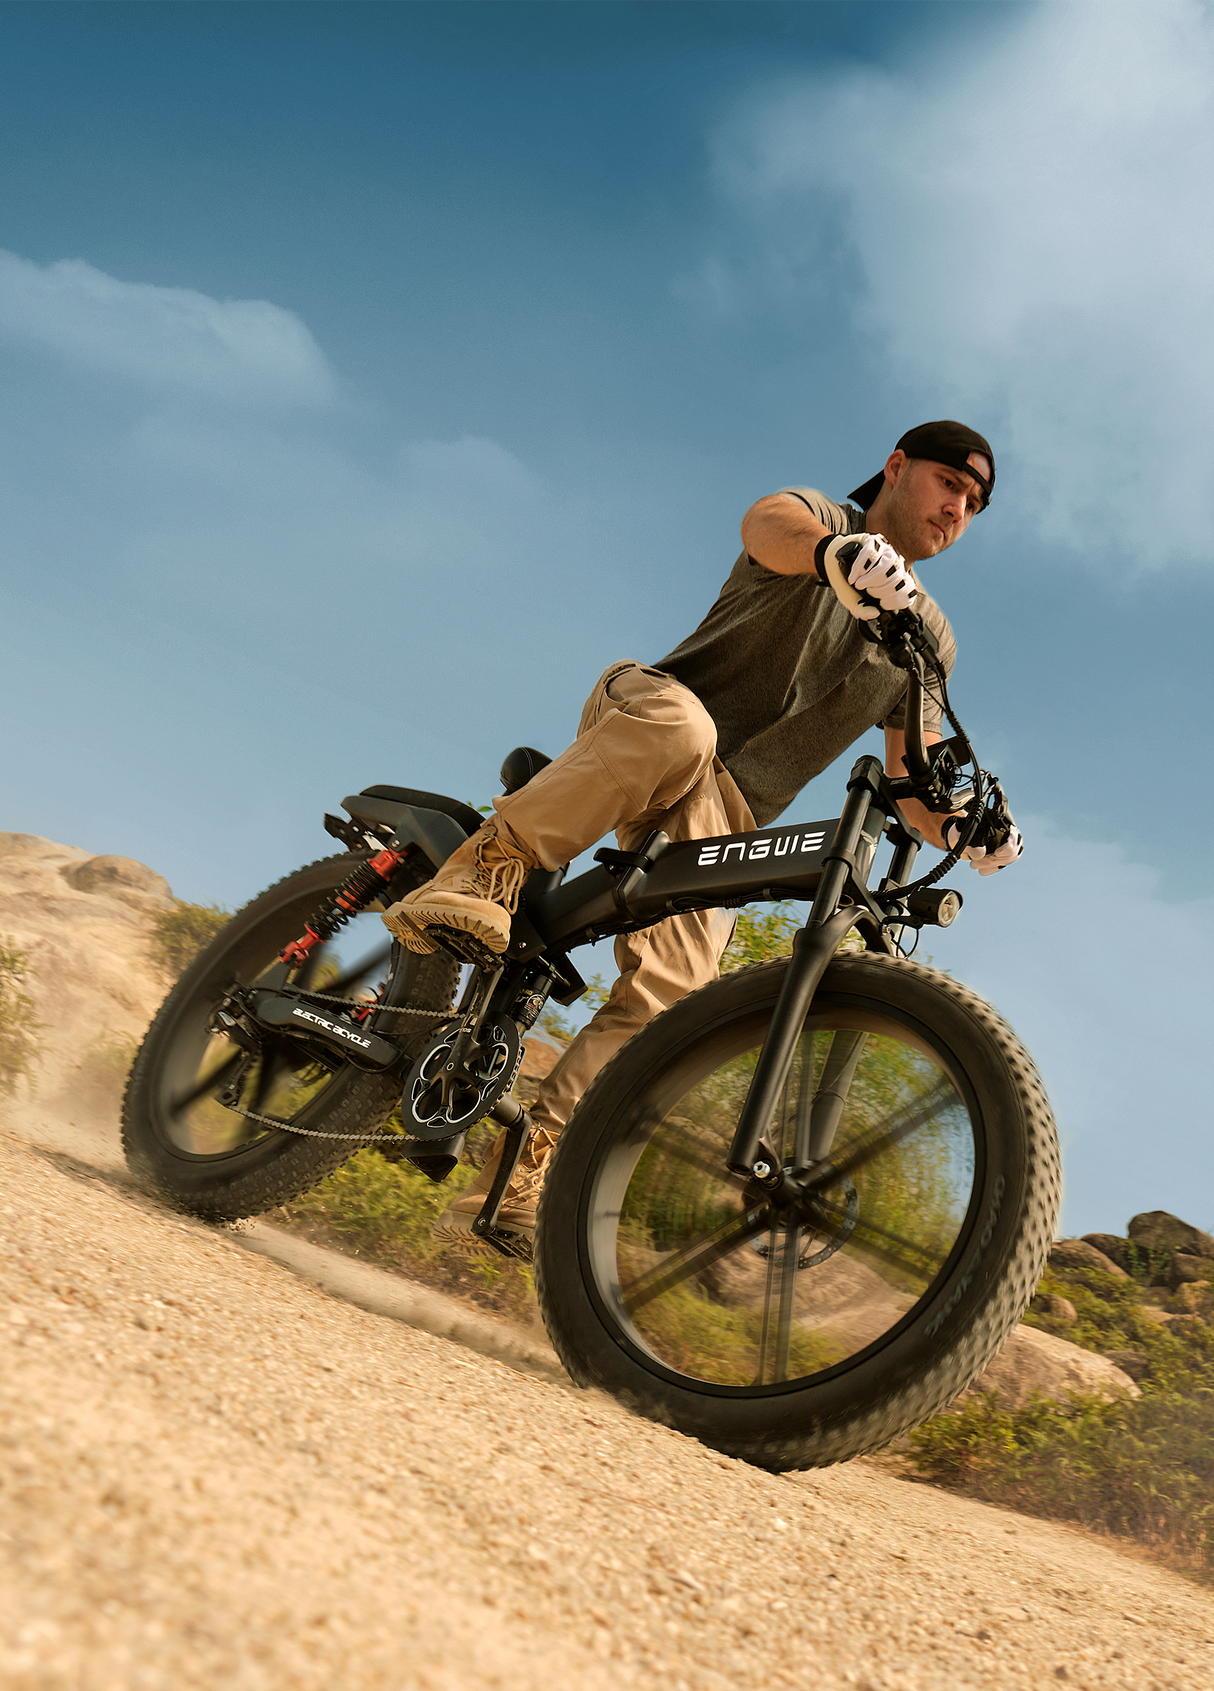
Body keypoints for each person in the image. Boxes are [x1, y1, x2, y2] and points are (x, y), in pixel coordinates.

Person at [382, 419, 1022, 1246]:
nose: (956, 509)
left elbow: (911, 775)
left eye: (973, 503)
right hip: (653, 712)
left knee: (674, 991)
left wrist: (965, 832)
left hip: (725, 812)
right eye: (947, 484)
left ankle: (533, 1165)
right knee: (689, 731)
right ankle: (482, 869)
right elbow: (767, 526)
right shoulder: (821, 520)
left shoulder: (927, 638)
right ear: (896, 468)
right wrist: (835, 557)